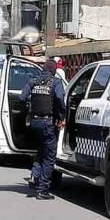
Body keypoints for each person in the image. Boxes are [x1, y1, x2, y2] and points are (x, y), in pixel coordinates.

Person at [20, 59, 66, 200]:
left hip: (34, 122)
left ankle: (35, 176)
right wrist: (62, 115)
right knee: (49, 156)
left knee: (40, 151)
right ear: (54, 71)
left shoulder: (33, 81)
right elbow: (59, 97)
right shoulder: (56, 82)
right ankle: (42, 190)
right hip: (48, 123)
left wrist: (29, 108)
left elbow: (22, 97)